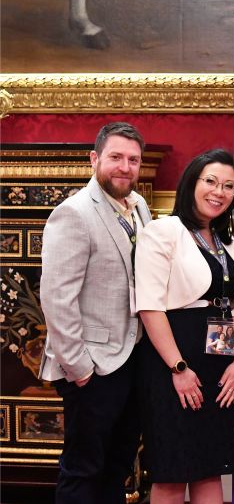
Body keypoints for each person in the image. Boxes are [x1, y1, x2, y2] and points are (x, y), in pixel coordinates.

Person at [39, 122, 151, 504]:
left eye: (133, 160)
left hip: (131, 360)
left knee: (116, 468)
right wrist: (81, 369)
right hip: (92, 367)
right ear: (94, 159)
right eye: (116, 157)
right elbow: (57, 299)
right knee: (83, 470)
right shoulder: (73, 214)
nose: (125, 167)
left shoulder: (140, 207)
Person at [135, 149, 234, 503]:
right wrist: (178, 368)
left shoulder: (225, 239)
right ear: (191, 183)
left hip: (218, 360)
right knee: (173, 470)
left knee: (209, 467)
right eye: (211, 181)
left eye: (228, 186)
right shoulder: (163, 231)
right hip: (175, 358)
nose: (219, 191)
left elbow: (233, 306)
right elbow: (150, 308)